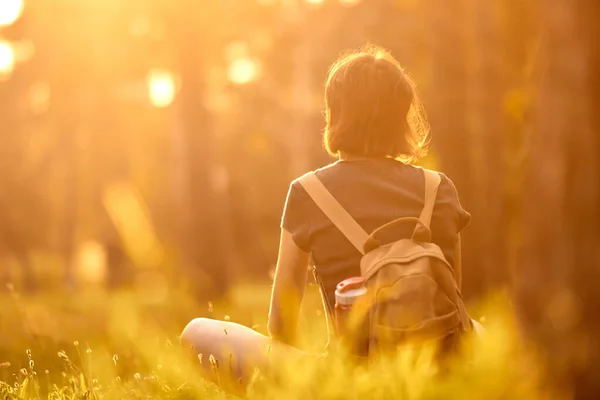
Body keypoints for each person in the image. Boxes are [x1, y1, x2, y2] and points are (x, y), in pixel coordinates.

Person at [180, 44, 473, 390]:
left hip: (348, 382)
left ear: (336, 114)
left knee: (197, 333)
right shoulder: (438, 188)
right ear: (401, 117)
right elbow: (452, 302)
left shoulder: (307, 192)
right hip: (433, 378)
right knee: (480, 329)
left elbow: (281, 325)